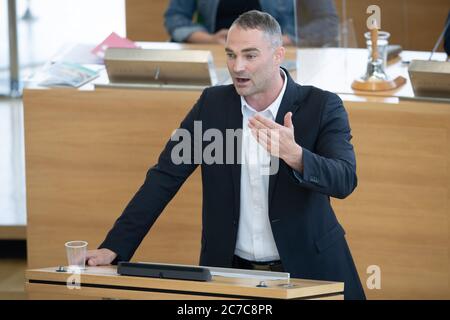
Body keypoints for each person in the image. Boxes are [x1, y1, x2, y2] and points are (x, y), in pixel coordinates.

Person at [87, 10, 365, 300]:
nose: (238, 67)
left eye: (250, 55)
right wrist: (115, 247)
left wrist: (295, 155)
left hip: (310, 271)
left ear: (278, 55)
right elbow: (164, 177)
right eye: (231, 55)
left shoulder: (321, 106)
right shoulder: (212, 106)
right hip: (230, 275)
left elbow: (345, 179)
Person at [164, 0, 339, 47]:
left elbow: (328, 23)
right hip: (219, 54)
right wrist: (208, 39)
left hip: (276, 60)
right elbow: (175, 16)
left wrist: (277, 40)